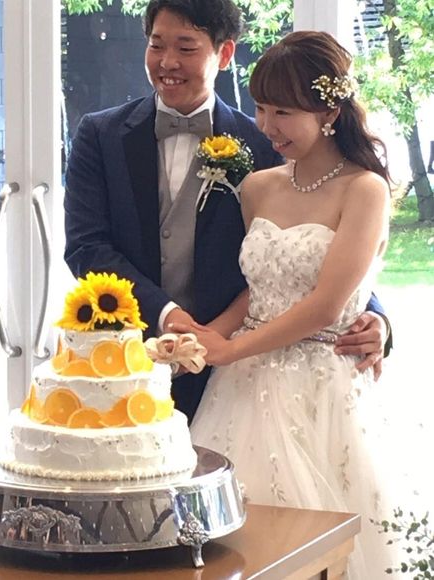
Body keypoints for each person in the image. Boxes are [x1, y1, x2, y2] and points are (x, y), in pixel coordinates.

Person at [63, 0, 390, 423]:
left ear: (224, 53)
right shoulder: (99, 135)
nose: (167, 62)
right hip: (127, 355)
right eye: (157, 45)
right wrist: (166, 314)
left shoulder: (266, 143)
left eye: (186, 47)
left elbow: (311, 246)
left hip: (232, 370)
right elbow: (87, 247)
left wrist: (375, 316)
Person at [172, 31, 396, 577]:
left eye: (284, 112)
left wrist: (230, 348)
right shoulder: (257, 187)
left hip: (320, 382)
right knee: (221, 544)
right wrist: (207, 335)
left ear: (330, 113)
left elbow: (325, 306)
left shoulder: (364, 190)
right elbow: (260, 287)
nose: (267, 126)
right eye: (261, 108)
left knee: (312, 548)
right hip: (241, 384)